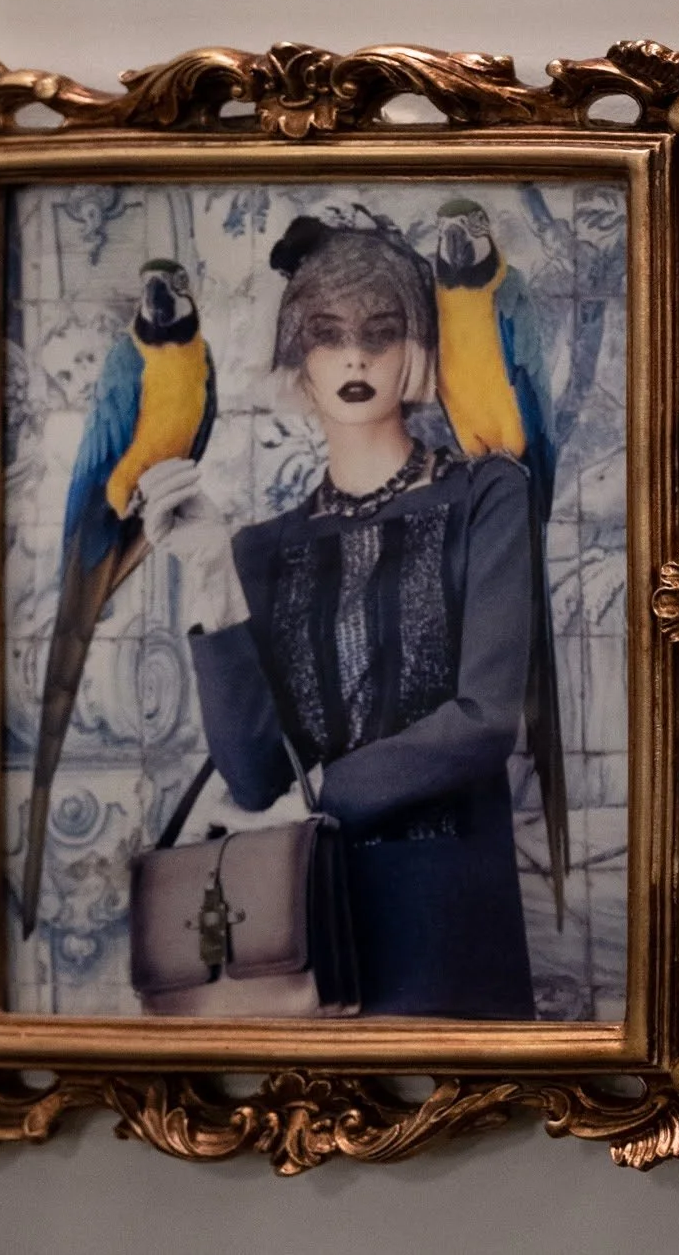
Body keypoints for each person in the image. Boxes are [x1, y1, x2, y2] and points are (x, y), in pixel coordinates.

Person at [136, 216, 537, 1018]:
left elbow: (488, 718)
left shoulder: (486, 497)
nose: (355, 356)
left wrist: (323, 790)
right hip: (297, 941)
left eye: (380, 332)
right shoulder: (258, 550)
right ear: (300, 363)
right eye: (327, 335)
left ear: (416, 351)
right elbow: (253, 776)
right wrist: (212, 575)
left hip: (446, 930)